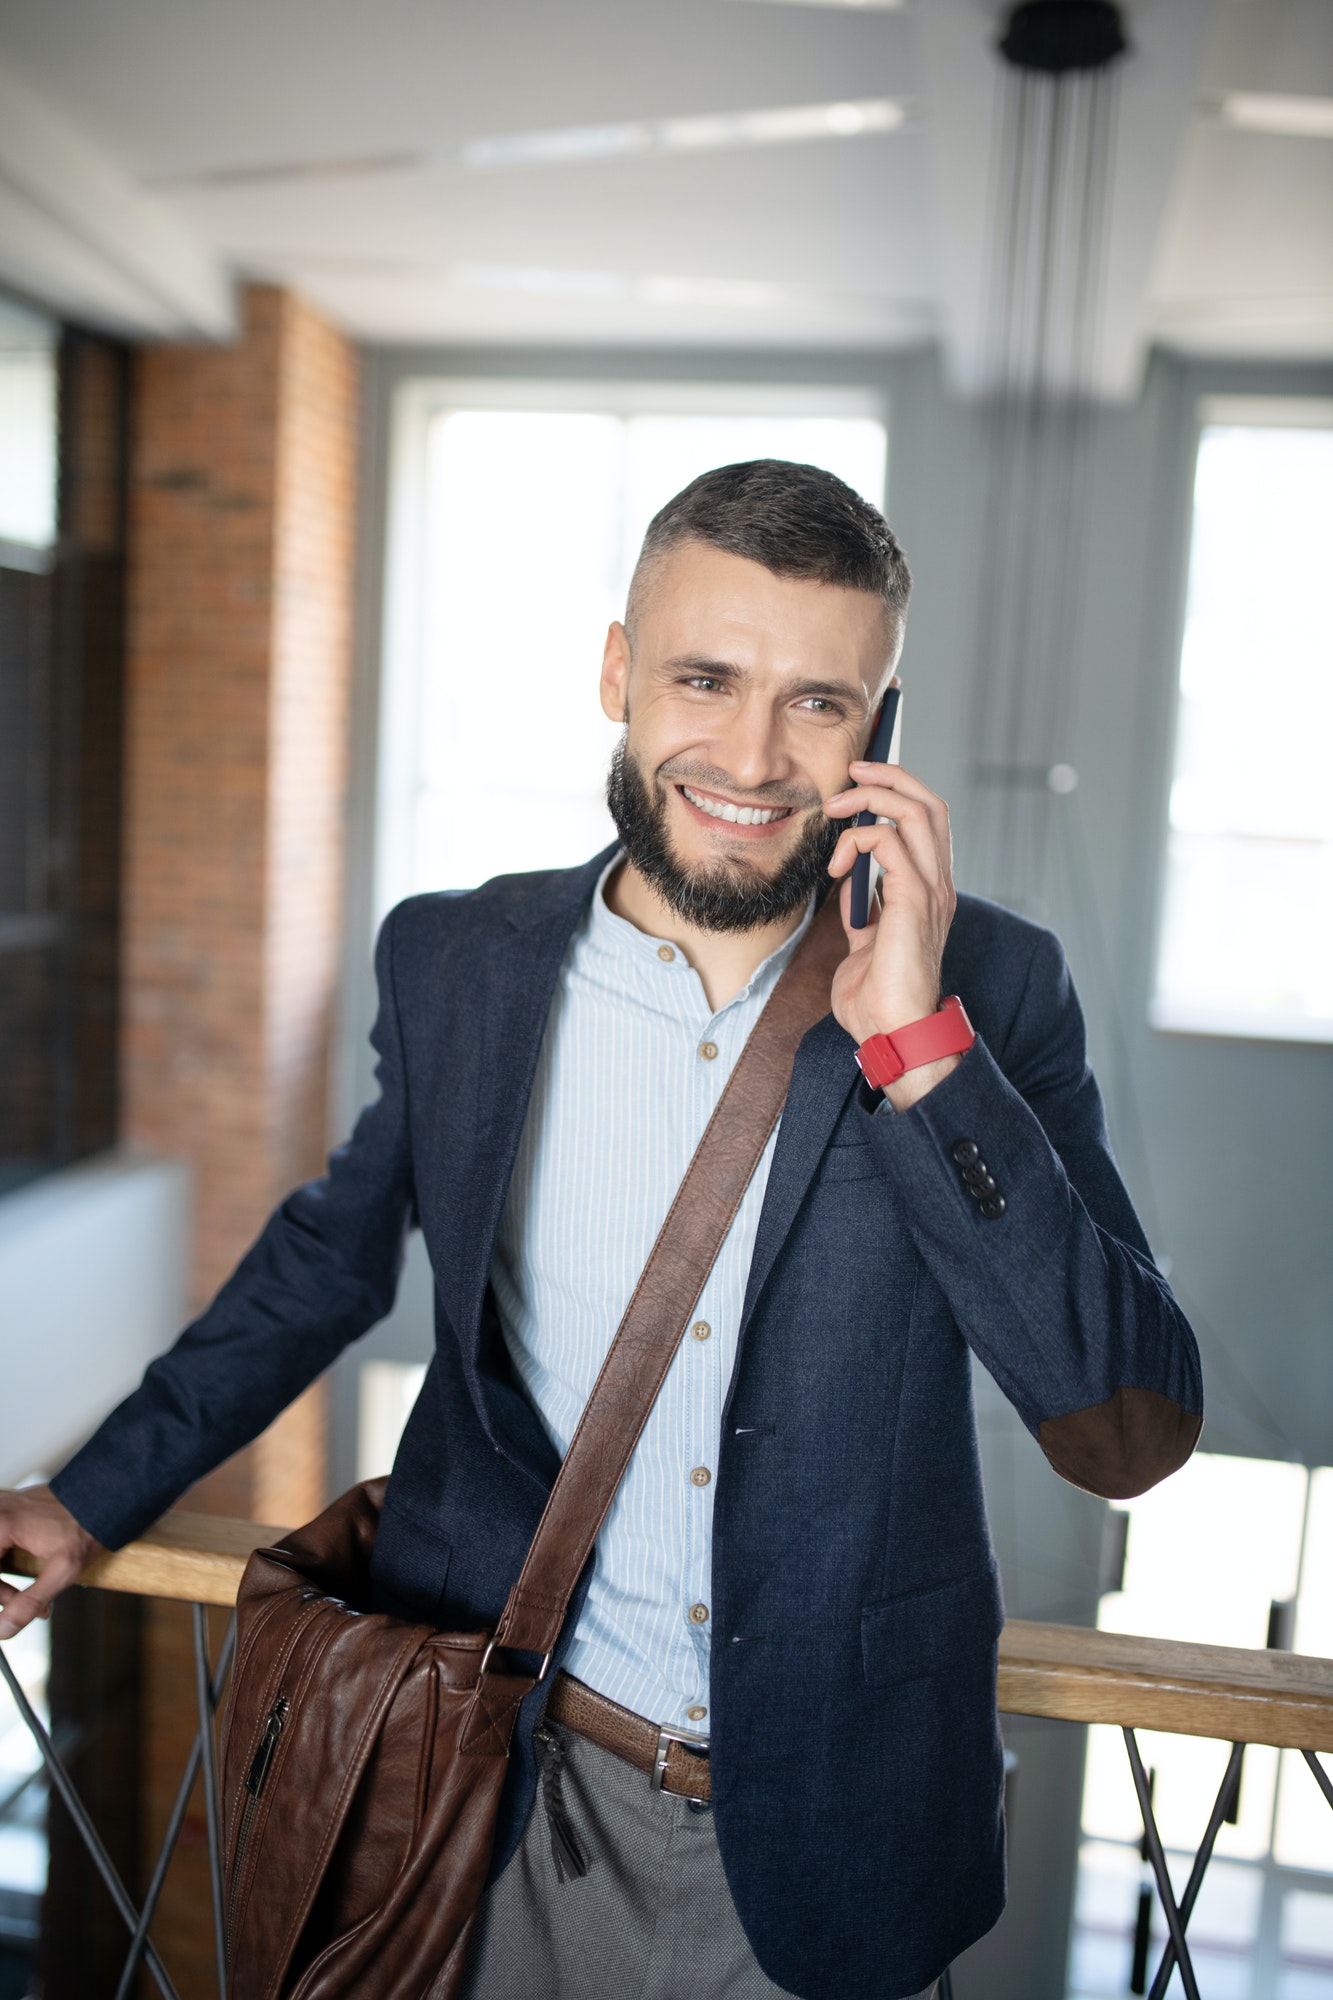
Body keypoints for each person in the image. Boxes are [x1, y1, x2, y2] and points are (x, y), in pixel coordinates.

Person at [0, 460, 1202, 2000]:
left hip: (838, 1839)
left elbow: (1127, 1438)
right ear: (619, 673)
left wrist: (915, 1046)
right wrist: (95, 1499)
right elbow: (326, 1262)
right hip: (500, 1801)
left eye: (819, 704)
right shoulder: (456, 962)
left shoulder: (991, 988)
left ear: (877, 730)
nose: (756, 756)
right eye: (705, 678)